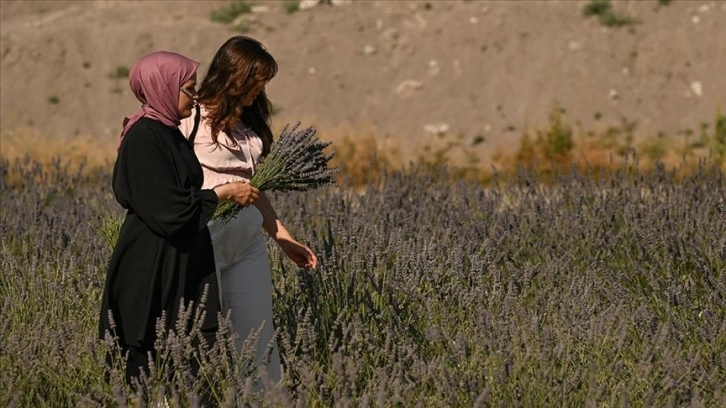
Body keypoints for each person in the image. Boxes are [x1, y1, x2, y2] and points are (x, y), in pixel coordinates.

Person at [98, 50, 260, 387]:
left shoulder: (168, 132)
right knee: (149, 363)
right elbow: (171, 210)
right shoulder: (143, 137)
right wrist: (224, 193)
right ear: (162, 87)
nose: (195, 97)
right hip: (152, 266)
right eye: (188, 89)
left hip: (183, 263)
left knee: (189, 361)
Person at [179, 36, 318, 385]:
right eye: (257, 80)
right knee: (192, 341)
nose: (261, 89)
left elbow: (256, 192)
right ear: (234, 76)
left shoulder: (248, 125)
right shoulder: (189, 117)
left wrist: (284, 238)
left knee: (258, 343)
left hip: (247, 246)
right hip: (202, 243)